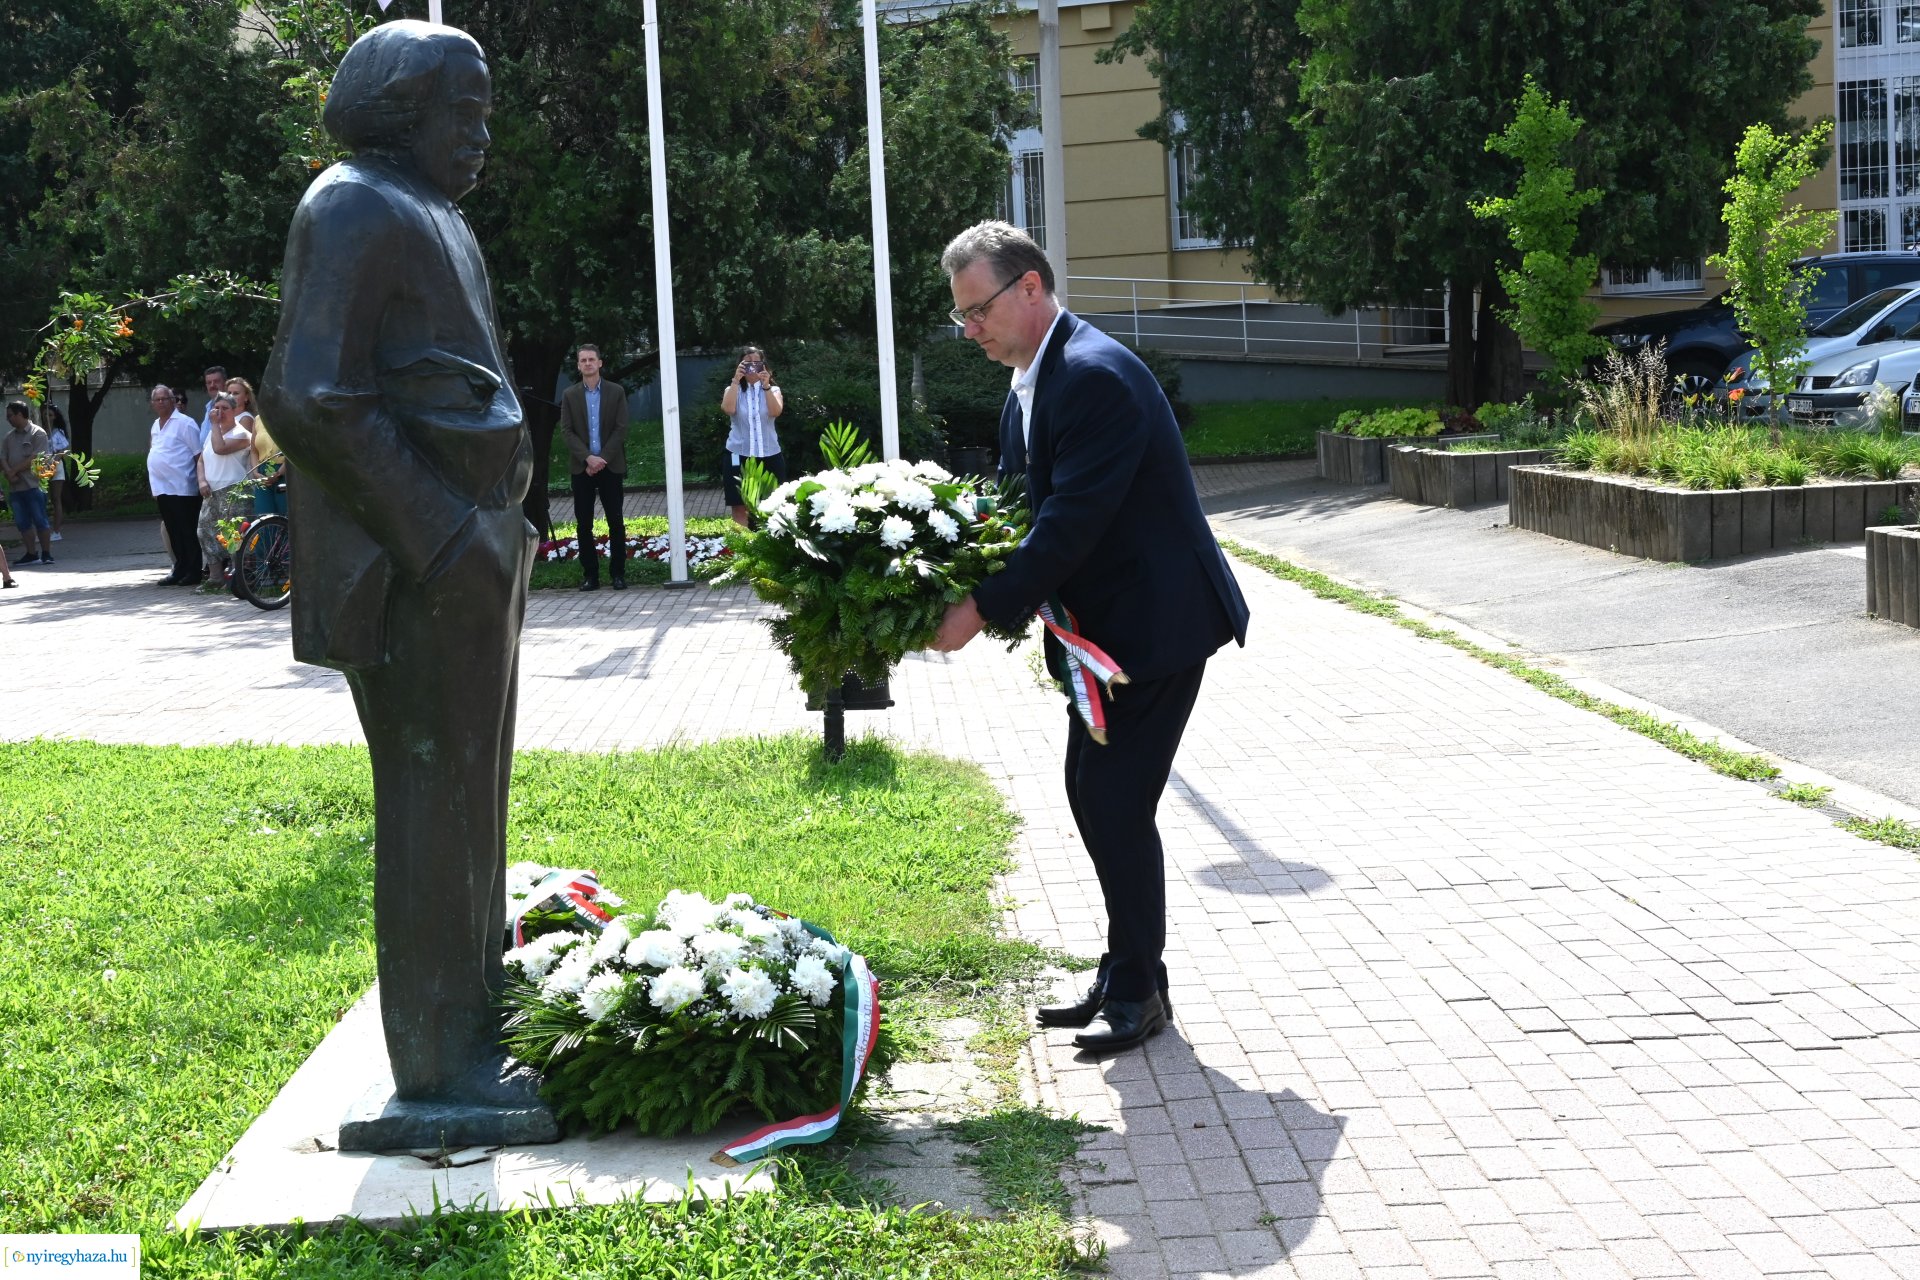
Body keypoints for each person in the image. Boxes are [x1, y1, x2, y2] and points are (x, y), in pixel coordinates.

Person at [261, 19, 552, 1145]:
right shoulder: (352, 204)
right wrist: (441, 531)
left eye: (484, 115)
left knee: (476, 795)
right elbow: (309, 394)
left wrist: (502, 515)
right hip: (418, 561)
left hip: (476, 548)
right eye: (462, 113)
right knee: (436, 805)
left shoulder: (436, 213)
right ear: (400, 110)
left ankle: (472, 1022)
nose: (480, 135)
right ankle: (437, 1065)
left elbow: (460, 379)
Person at [929, 221, 1250, 1056]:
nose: (970, 329)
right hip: (1101, 635)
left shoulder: (1094, 376)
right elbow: (1021, 509)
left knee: (1113, 800)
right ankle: (1128, 972)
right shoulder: (1034, 380)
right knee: (1095, 793)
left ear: (1031, 286)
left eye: (979, 309)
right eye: (962, 315)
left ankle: (1138, 989)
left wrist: (977, 608)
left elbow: (1070, 524)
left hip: (1155, 628)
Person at [558, 343, 629, 590]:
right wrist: (588, 458)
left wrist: (602, 459)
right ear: (578, 366)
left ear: (600, 363)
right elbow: (567, 431)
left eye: (591, 359)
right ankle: (591, 576)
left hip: (610, 465)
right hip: (582, 468)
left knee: (616, 521)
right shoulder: (570, 395)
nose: (587, 363)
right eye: (583, 360)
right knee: (584, 524)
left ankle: (618, 574)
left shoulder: (616, 391)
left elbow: (621, 428)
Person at [719, 344, 785, 526]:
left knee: (773, 504)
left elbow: (775, 412)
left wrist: (766, 386)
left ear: (764, 366)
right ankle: (745, 541)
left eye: (757, 362)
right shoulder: (732, 390)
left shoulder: (774, 391)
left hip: (769, 454)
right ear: (740, 365)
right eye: (747, 362)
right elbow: (728, 409)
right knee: (739, 504)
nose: (752, 366)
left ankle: (769, 539)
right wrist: (736, 380)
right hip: (737, 455)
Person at [195, 393, 254, 586]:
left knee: (234, 536)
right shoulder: (213, 434)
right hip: (211, 492)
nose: (219, 412)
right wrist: (202, 481)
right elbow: (201, 460)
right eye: (216, 408)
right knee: (205, 531)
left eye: (225, 408)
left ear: (234, 410)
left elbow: (220, 448)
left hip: (234, 490)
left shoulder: (242, 434)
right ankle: (216, 577)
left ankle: (239, 579)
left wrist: (213, 424)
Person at [147, 386, 204, 585]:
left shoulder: (185, 423)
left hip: (183, 486)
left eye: (165, 398)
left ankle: (194, 571)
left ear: (173, 400)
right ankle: (180, 568)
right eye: (157, 399)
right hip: (162, 487)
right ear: (152, 404)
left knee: (187, 530)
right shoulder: (156, 425)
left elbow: (198, 455)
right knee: (173, 530)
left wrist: (201, 480)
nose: (161, 402)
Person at [2, 402, 53, 566]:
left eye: (10, 415)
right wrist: (9, 473)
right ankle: (31, 554)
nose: (8, 419)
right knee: (22, 522)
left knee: (40, 520)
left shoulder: (38, 433)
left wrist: (13, 471)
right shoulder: (9, 437)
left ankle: (46, 553)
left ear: (20, 414)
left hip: (33, 485)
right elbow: (3, 457)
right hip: (16, 487)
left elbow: (36, 458)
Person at [231, 376, 287, 517]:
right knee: (263, 516)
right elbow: (254, 450)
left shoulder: (289, 418)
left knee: (285, 517)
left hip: (284, 472)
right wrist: (256, 472)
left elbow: (294, 451)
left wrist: (278, 473)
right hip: (261, 473)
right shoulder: (258, 419)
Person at [43, 403, 69, 541]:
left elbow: (62, 451)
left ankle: (56, 531)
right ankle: (43, 531)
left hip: (56, 466)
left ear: (55, 417)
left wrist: (53, 463)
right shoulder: (40, 431)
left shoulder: (58, 432)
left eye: (50, 414)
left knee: (55, 498)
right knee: (42, 499)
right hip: (42, 467)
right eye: (45, 414)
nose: (47, 417)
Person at [197, 366, 227, 449]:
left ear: (225, 383)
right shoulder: (208, 407)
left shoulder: (232, 408)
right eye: (209, 382)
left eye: (216, 381)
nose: (212, 385)